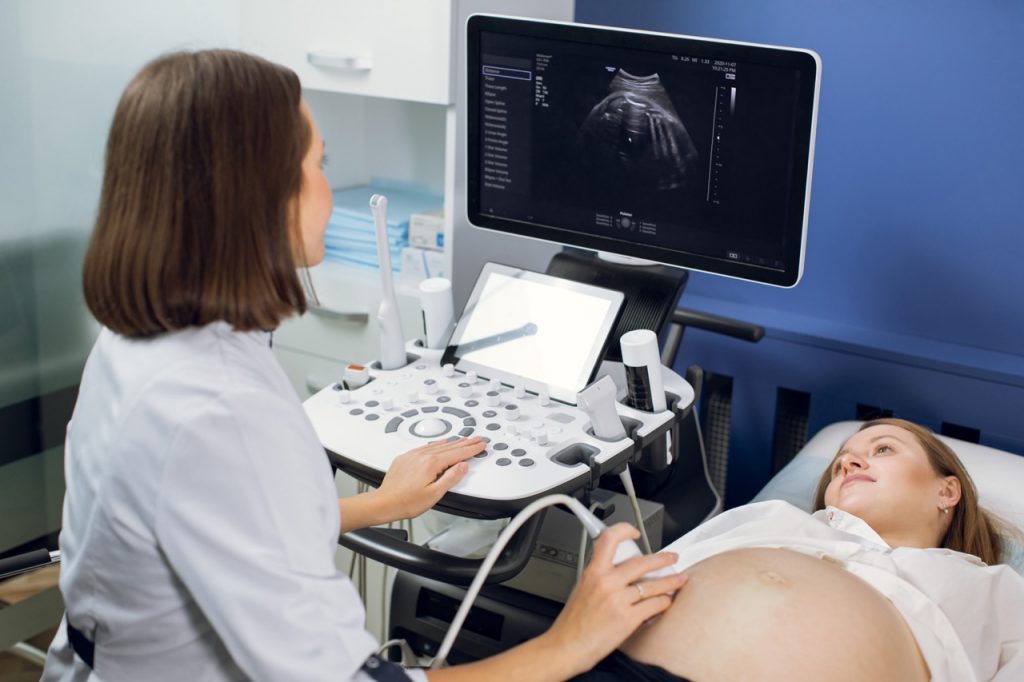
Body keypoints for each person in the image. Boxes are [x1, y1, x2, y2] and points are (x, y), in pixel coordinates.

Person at [40, 49, 688, 682]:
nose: (327, 186)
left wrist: (378, 504)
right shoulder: (214, 407)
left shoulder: (148, 337)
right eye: (319, 164)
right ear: (265, 195)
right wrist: (571, 641)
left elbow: (226, 519)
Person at [575, 418, 1024, 682]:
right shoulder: (772, 519)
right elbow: (654, 581)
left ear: (947, 491)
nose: (848, 461)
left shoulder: (991, 586)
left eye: (883, 449)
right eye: (840, 461)